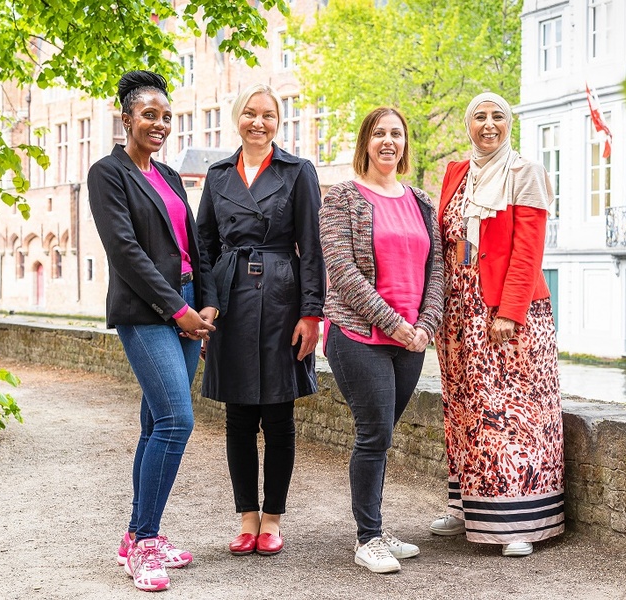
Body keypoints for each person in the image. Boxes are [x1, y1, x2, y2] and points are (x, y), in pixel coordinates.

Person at [87, 70, 218, 591]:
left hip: (188, 304)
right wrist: (178, 312)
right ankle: (144, 543)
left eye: (166, 116)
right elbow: (126, 253)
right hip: (146, 312)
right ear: (126, 119)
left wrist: (205, 306)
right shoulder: (107, 174)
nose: (160, 124)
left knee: (154, 424)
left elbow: (195, 243)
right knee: (176, 421)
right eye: (149, 115)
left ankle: (137, 536)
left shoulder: (167, 176)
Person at [430, 91, 565, 556]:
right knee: (465, 409)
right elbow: (443, 243)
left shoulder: (525, 172)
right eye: (479, 117)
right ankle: (468, 505)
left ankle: (521, 522)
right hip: (459, 310)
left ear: (510, 123)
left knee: (513, 414)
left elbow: (529, 249)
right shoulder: (456, 172)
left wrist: (509, 310)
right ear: (468, 125)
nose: (488, 125)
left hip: (507, 310)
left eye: (498, 117)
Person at [196, 83, 325, 558]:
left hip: (282, 299)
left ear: (278, 121)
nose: (259, 122)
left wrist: (312, 314)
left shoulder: (298, 172)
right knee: (238, 416)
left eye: (268, 115)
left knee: (278, 413)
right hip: (230, 301)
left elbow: (312, 249)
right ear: (238, 118)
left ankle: (272, 518)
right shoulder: (217, 175)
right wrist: (207, 303)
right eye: (250, 114)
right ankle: (246, 518)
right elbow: (203, 246)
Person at [320, 107, 444, 574]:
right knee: (373, 434)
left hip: (410, 339)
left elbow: (438, 271)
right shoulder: (342, 198)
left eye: (396, 133)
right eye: (379, 133)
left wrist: (427, 325)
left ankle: (376, 525)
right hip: (358, 333)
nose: (388, 141)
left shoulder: (421, 201)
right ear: (365, 143)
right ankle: (367, 537)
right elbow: (343, 271)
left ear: (405, 143)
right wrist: (392, 322)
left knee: (384, 436)